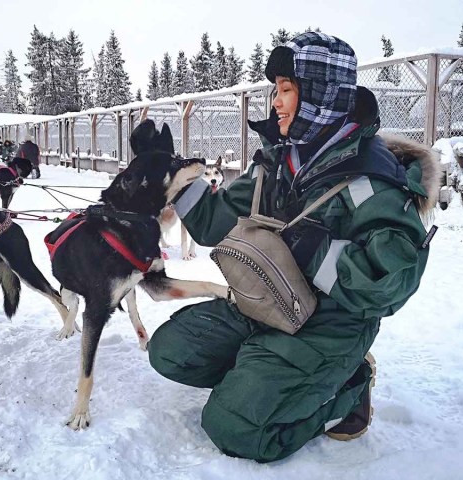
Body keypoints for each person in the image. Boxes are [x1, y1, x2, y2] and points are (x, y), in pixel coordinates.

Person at [147, 32, 440, 463]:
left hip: (329, 326)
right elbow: (213, 223)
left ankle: (347, 391)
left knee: (234, 428)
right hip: (266, 303)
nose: (275, 103)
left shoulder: (372, 180)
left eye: (286, 90)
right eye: (276, 91)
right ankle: (268, 380)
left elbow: (389, 284)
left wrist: (312, 249)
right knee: (170, 351)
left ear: (322, 96)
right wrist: (173, 176)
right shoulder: (279, 161)